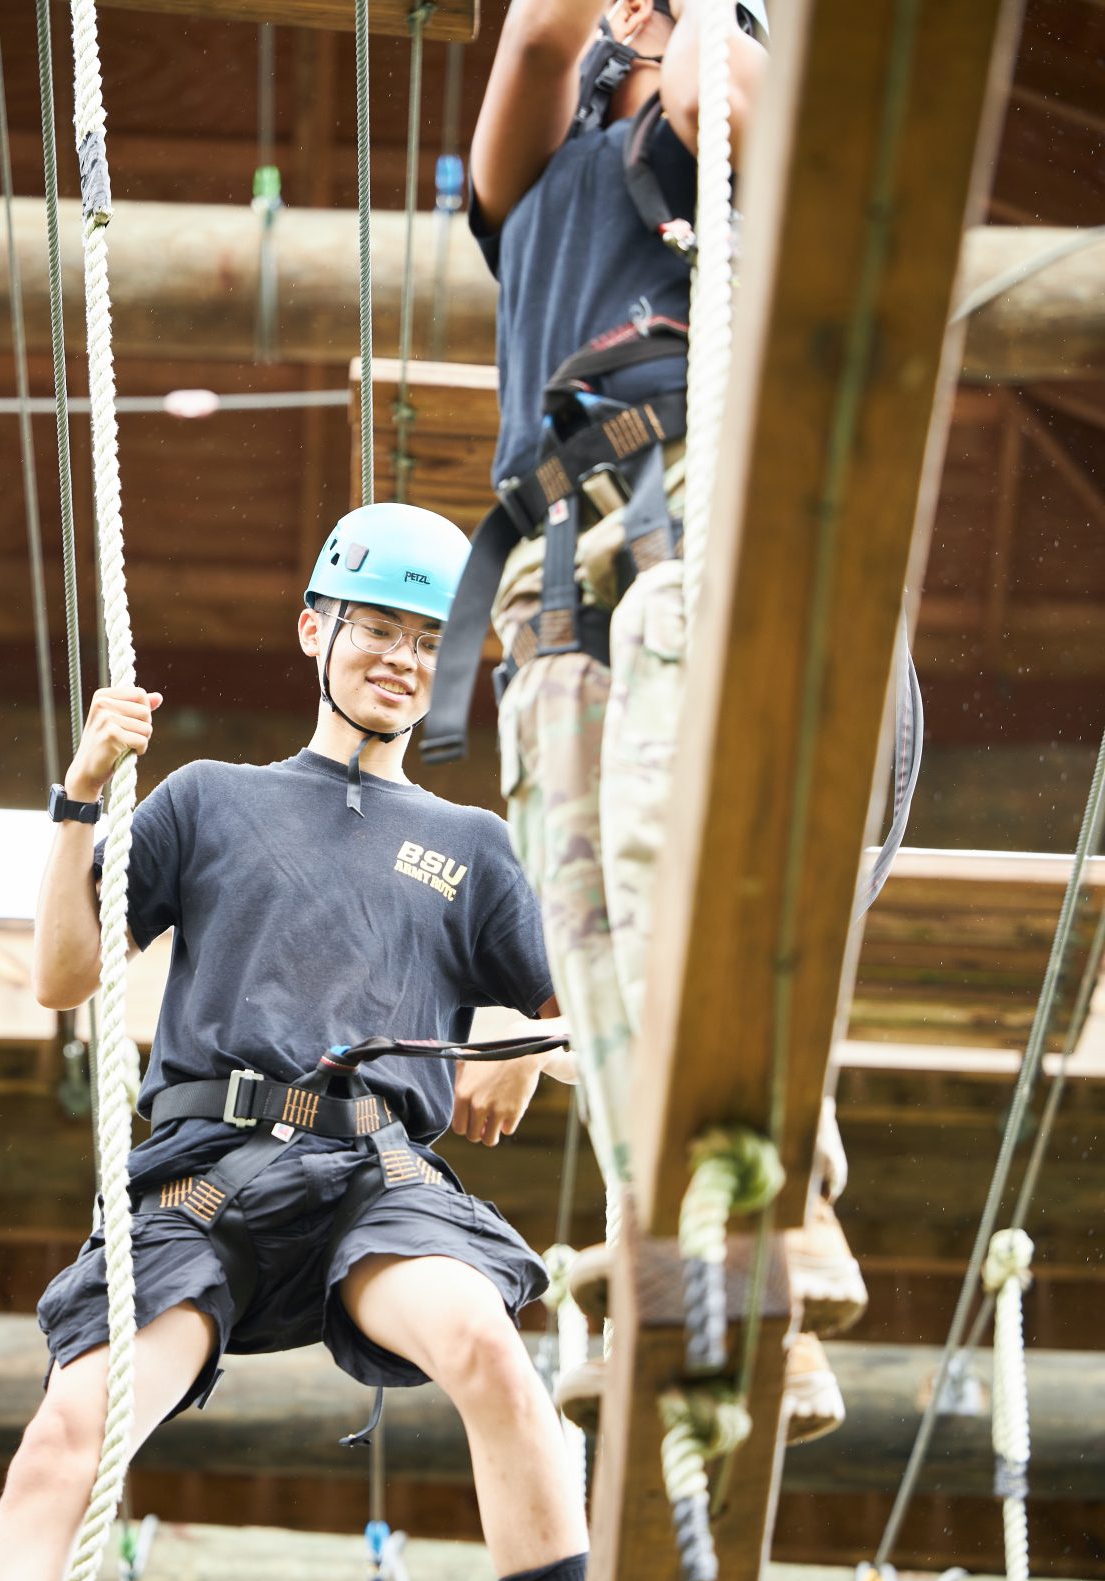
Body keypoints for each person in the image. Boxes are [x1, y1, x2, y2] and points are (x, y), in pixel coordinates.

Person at [0, 503, 589, 1581]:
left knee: (496, 1355)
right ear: (312, 631)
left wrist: (520, 1048)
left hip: (376, 1185)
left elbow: (585, 1006)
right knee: (65, 1437)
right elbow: (63, 975)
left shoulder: (472, 847)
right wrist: (82, 795)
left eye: (424, 642)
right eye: (374, 628)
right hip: (209, 1176)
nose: (397, 658)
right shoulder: (210, 802)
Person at [425, 0, 865, 1440]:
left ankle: (773, 1214)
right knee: (588, 929)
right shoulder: (541, 167)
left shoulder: (725, 104)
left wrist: (710, 22)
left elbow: (721, 107)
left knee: (679, 860)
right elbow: (542, 33)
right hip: (556, 569)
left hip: (692, 515)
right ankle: (675, 1253)